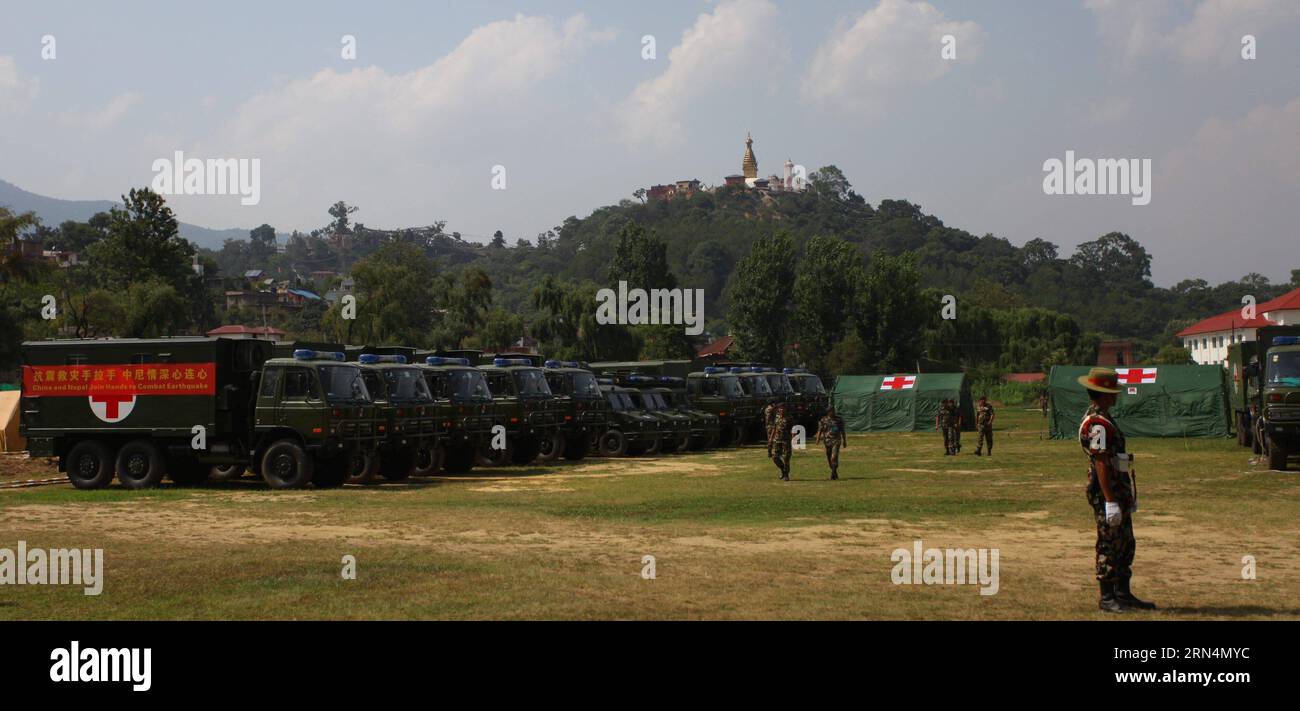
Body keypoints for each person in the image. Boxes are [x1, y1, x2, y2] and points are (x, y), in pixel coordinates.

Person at [1078, 367, 1156, 613]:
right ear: (1102, 393)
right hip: (1106, 492)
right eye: (1112, 392)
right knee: (1109, 543)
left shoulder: (1105, 418)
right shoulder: (1097, 423)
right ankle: (1107, 597)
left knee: (1125, 542)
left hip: (1117, 489)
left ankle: (1123, 593)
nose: (1116, 396)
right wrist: (1110, 500)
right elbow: (1100, 461)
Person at [815, 405, 848, 480]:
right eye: (830, 411)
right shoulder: (824, 420)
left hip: (836, 440)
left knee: (834, 456)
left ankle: (832, 474)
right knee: (829, 457)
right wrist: (818, 439)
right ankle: (834, 471)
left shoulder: (839, 420)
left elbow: (842, 431)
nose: (832, 412)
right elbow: (820, 430)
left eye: (833, 410)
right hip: (827, 441)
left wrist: (844, 441)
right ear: (828, 412)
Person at [770, 402, 793, 481]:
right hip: (777, 439)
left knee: (786, 457)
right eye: (780, 408)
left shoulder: (789, 418)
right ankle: (783, 469)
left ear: (785, 409)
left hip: (786, 440)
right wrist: (771, 438)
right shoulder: (777, 417)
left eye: (783, 408)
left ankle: (786, 474)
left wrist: (792, 438)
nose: (781, 409)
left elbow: (793, 429)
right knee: (774, 457)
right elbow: (774, 428)